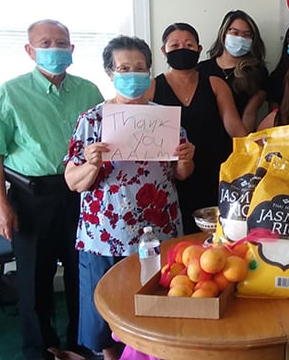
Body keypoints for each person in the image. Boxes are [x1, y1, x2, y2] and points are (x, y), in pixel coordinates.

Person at [64, 35, 195, 360]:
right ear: (110, 73)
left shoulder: (164, 119)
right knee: (102, 317)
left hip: (157, 233)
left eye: (140, 68)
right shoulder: (92, 120)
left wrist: (186, 159)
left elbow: (181, 175)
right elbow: (72, 182)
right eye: (124, 68)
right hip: (105, 234)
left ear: (149, 72)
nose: (133, 74)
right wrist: (91, 165)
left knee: (154, 307)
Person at [0, 19, 104, 359]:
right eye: (46, 43)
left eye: (61, 42)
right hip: (32, 196)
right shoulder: (10, 93)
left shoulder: (88, 91)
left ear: (72, 49)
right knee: (35, 277)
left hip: (82, 192)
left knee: (82, 273)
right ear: (29, 50)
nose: (55, 49)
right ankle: (40, 348)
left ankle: (82, 345)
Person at [145, 22, 247, 234]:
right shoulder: (152, 87)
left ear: (199, 50)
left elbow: (234, 127)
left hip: (216, 175)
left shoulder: (215, 83)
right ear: (163, 51)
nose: (182, 49)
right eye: (174, 45)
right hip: (173, 178)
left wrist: (257, 155)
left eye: (189, 45)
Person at [197, 10, 268, 132]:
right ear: (223, 34)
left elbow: (250, 114)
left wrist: (244, 146)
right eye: (235, 33)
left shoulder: (257, 72)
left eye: (247, 35)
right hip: (202, 139)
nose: (240, 39)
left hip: (237, 140)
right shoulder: (202, 69)